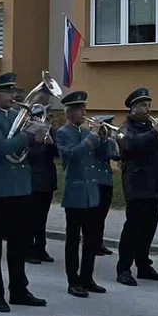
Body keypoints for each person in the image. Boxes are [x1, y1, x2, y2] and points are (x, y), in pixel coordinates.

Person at [0, 73, 48, 313]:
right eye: (7, 92)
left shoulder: (19, 117)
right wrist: (29, 134)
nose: (13, 96)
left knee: (20, 242)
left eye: (13, 92)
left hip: (21, 185)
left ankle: (19, 289)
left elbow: (30, 152)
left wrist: (39, 138)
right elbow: (2, 148)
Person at [116, 87, 158, 286]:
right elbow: (131, 146)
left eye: (148, 105)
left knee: (149, 227)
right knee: (133, 228)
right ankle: (123, 268)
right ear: (133, 108)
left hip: (154, 184)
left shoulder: (149, 127)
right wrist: (154, 132)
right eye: (143, 105)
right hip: (137, 184)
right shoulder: (126, 128)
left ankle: (143, 265)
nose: (147, 109)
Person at [55, 91, 111, 297]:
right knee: (73, 240)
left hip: (92, 192)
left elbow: (105, 156)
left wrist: (104, 139)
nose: (83, 113)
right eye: (79, 110)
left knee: (92, 239)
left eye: (84, 109)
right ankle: (73, 281)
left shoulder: (89, 133)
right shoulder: (62, 132)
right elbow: (71, 156)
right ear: (69, 112)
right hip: (75, 192)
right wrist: (92, 137)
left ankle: (87, 278)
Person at [26, 103, 58, 264]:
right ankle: (28, 249)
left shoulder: (51, 131)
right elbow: (27, 155)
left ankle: (40, 248)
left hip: (47, 178)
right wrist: (39, 142)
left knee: (42, 218)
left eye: (48, 117)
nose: (47, 120)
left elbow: (58, 154)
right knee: (30, 217)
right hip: (32, 179)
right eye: (44, 117)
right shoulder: (28, 132)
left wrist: (51, 143)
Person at [93, 116, 118, 256]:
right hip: (96, 180)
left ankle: (99, 242)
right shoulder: (95, 140)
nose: (109, 128)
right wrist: (101, 138)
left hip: (107, 180)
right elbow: (100, 153)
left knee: (102, 215)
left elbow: (114, 155)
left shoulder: (111, 141)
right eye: (107, 125)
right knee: (94, 215)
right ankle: (92, 242)